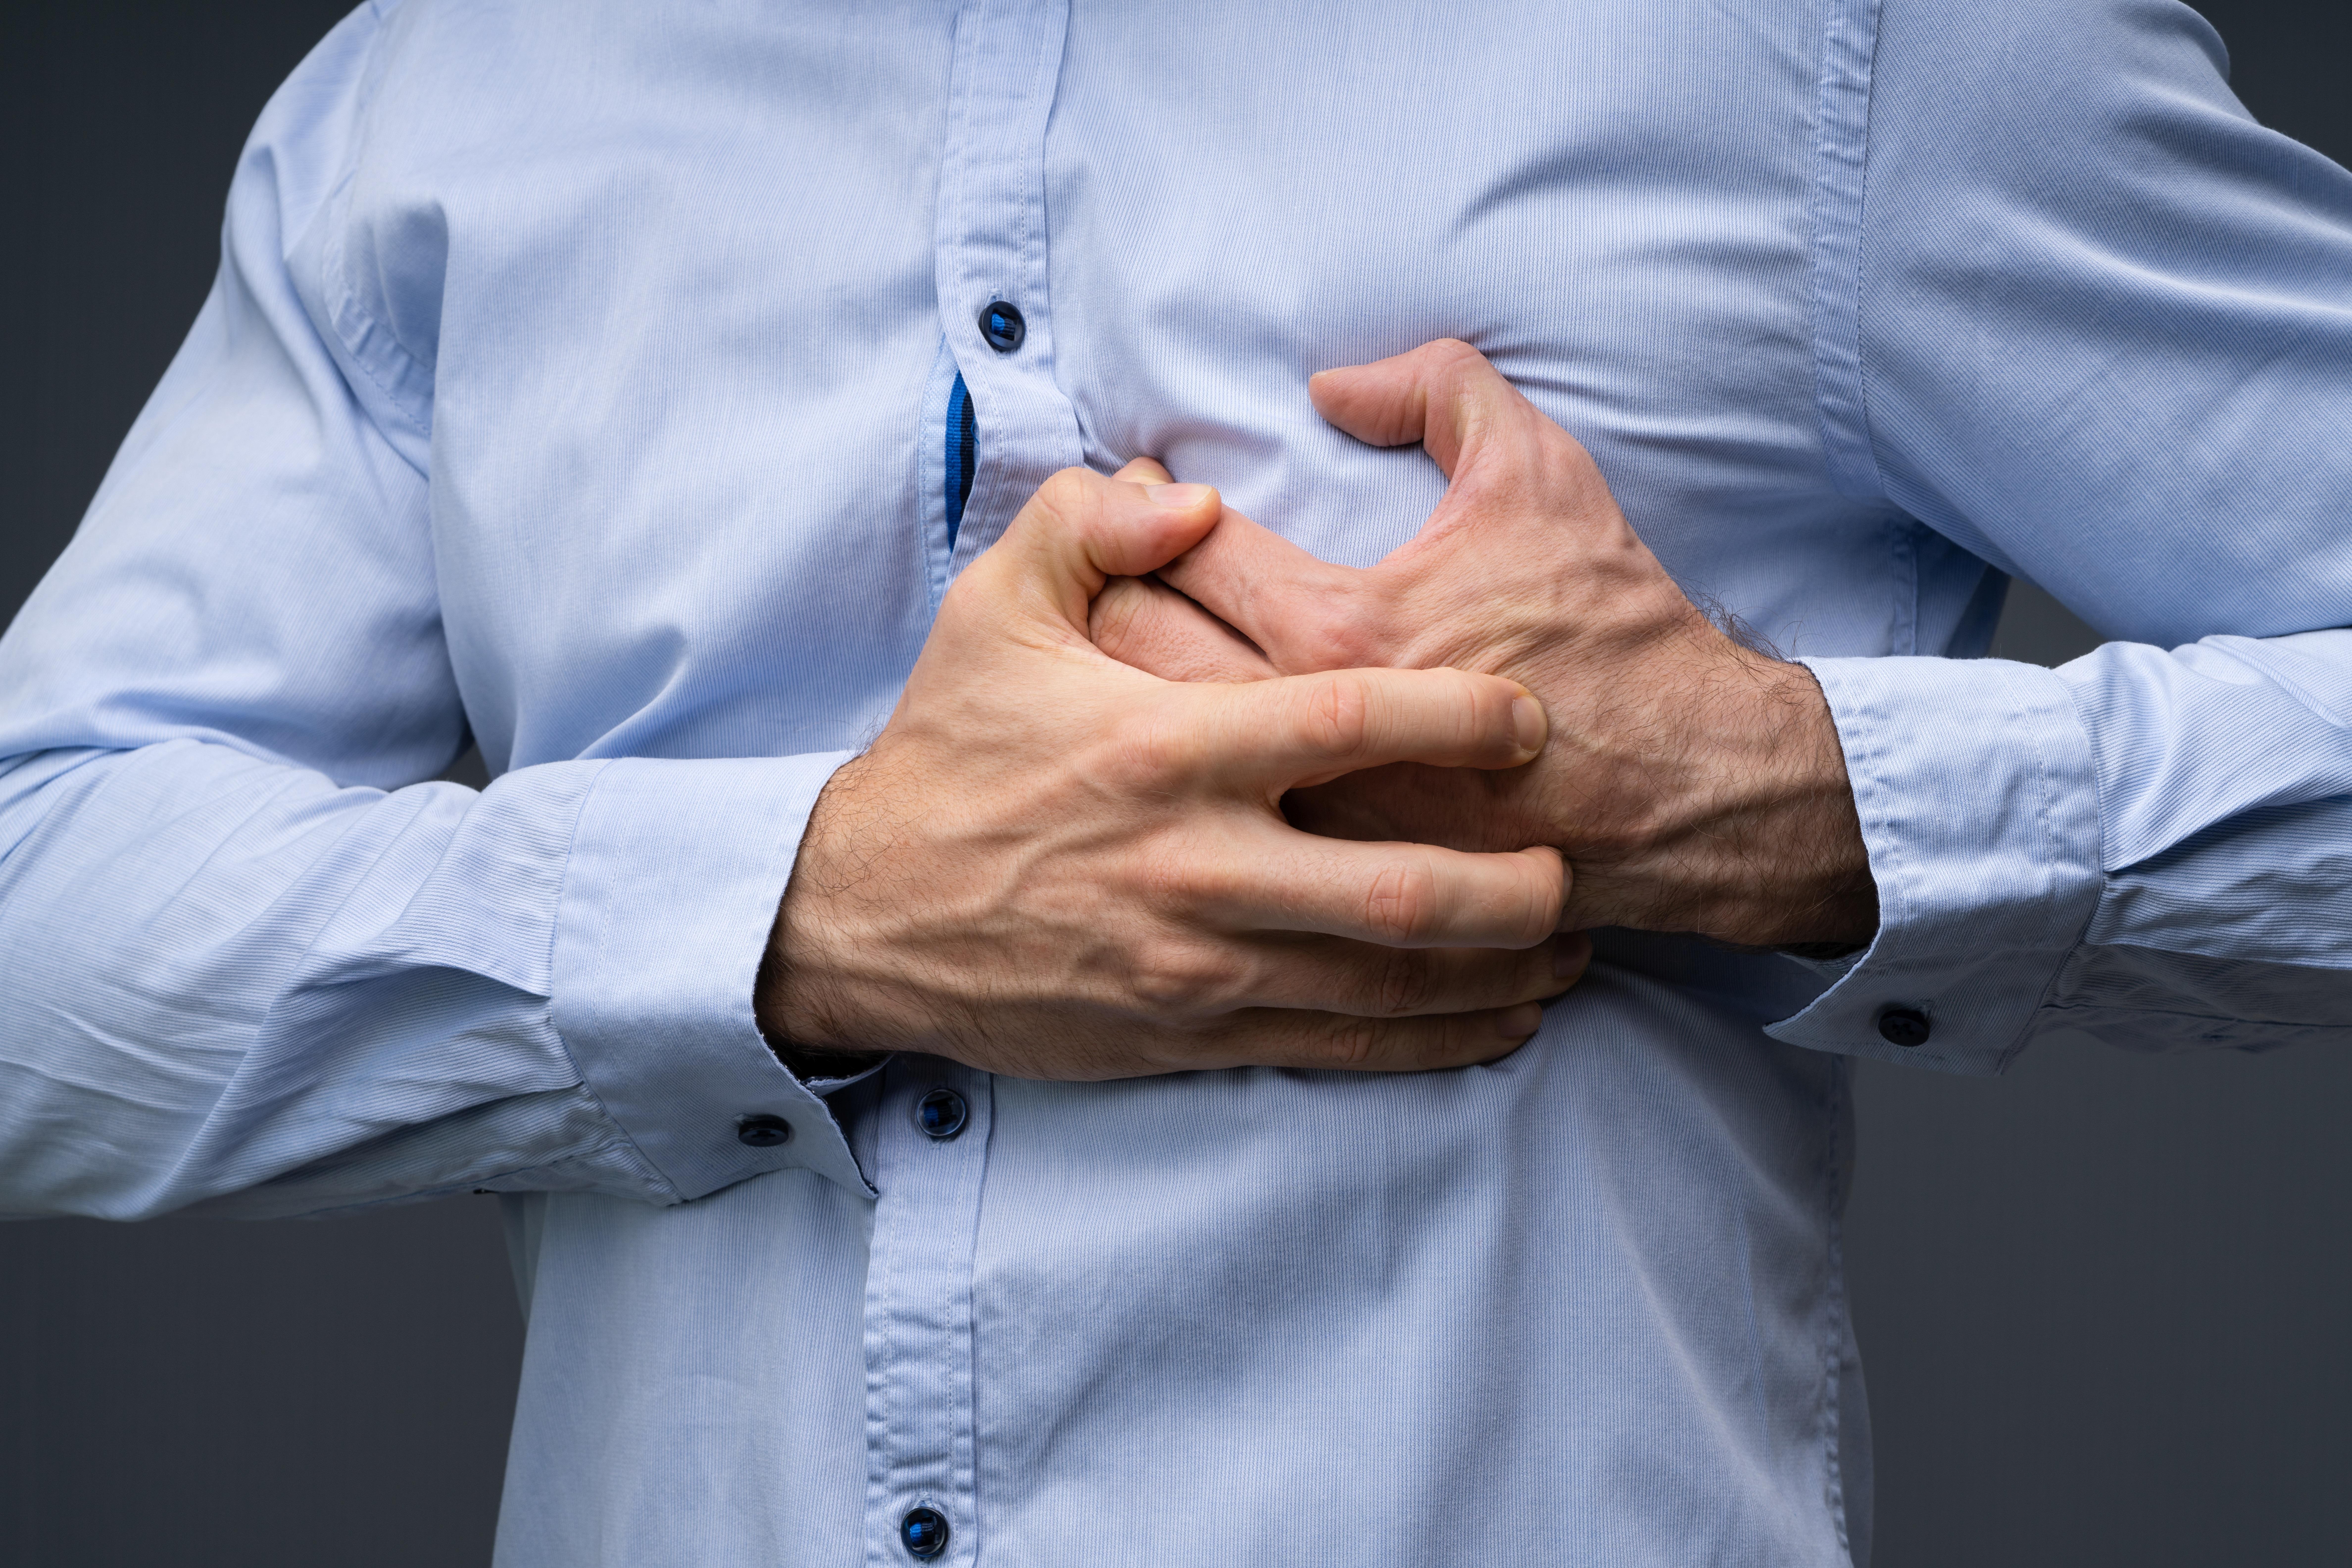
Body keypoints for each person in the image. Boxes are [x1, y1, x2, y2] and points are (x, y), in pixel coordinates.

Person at [2, 0, 2347, 1562]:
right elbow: (40, 929)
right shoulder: (449, 90)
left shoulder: (1841, 42)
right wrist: (805, 916)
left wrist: (1784, 788)